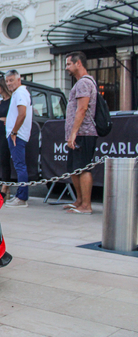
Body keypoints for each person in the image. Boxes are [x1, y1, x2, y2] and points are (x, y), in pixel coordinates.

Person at [64, 51, 99, 215]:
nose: (66, 68)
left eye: (69, 64)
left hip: (83, 133)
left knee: (83, 168)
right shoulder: (79, 83)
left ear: (79, 63)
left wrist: (73, 134)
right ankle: (79, 201)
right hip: (78, 134)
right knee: (74, 168)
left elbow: (82, 109)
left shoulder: (84, 83)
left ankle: (86, 205)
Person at [4, 70, 33, 208]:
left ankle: (22, 198)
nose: (9, 83)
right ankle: (20, 196)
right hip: (16, 134)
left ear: (18, 79)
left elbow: (22, 114)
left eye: (11, 80)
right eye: (7, 81)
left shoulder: (21, 92)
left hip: (18, 135)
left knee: (20, 165)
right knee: (18, 165)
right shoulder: (18, 93)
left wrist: (14, 131)